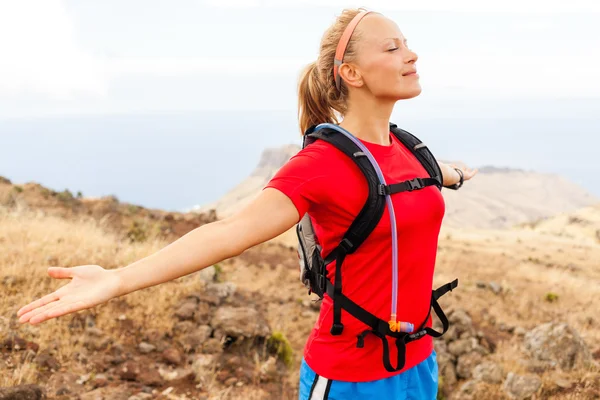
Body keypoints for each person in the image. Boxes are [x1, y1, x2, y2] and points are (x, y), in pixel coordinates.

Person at [17, 7, 477, 400]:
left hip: (419, 365)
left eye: (407, 44)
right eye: (392, 48)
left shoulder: (412, 153)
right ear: (351, 73)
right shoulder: (321, 165)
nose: (411, 55)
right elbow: (228, 233)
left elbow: (429, 175)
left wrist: (454, 173)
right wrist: (117, 279)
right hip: (349, 378)